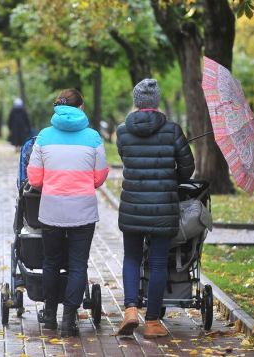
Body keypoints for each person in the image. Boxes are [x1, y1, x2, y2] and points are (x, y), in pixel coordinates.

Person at [115, 79, 195, 338]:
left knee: (131, 258)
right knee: (158, 261)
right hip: (163, 207)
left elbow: (126, 158)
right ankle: (152, 322)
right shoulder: (172, 130)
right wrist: (173, 176)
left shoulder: (122, 131)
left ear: (137, 102)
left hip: (133, 205)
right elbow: (188, 169)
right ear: (157, 102)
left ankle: (129, 310)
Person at [27, 89, 109, 337]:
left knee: (50, 262)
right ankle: (69, 319)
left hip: (51, 208)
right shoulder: (93, 138)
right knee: (77, 265)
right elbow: (100, 176)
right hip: (82, 211)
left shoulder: (44, 137)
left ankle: (50, 314)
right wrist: (83, 184)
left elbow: (34, 177)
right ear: (81, 108)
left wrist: (51, 185)